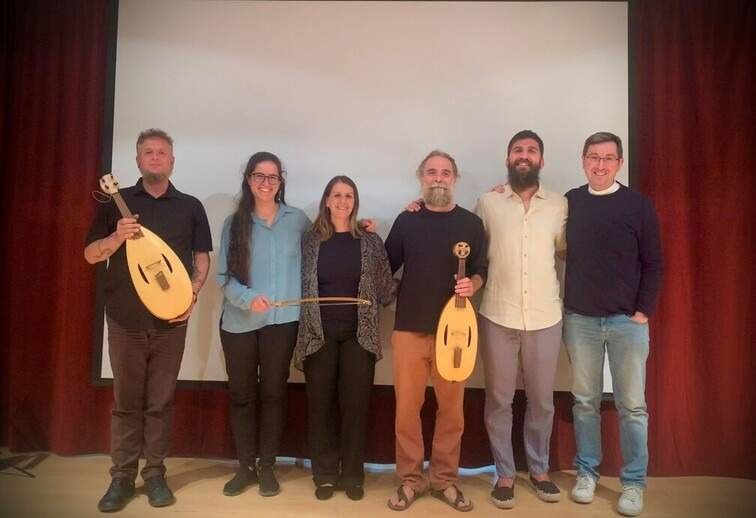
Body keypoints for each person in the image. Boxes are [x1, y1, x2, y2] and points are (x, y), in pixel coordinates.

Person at [85, 128, 212, 512]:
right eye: (147, 152)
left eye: (161, 153)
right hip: (124, 317)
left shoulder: (190, 206)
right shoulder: (114, 205)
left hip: (172, 321)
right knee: (126, 403)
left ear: (172, 161)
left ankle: (154, 474)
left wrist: (192, 293)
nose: (155, 158)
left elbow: (201, 258)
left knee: (160, 402)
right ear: (137, 161)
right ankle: (121, 477)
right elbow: (90, 254)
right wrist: (115, 240)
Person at [563, 132, 663, 517]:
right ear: (583, 160)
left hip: (627, 322)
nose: (600, 165)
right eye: (593, 157)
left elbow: (654, 262)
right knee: (585, 402)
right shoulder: (570, 202)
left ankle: (634, 483)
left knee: (632, 406)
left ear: (619, 163)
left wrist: (642, 312)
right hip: (581, 320)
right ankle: (586, 472)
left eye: (608, 158)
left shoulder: (637, 205)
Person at [385, 150, 487, 512]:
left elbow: (481, 270)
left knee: (452, 412)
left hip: (455, 333)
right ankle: (410, 480)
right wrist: (362, 231)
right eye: (431, 172)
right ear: (421, 178)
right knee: (407, 411)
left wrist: (473, 284)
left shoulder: (472, 225)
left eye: (445, 172)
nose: (438, 178)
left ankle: (445, 480)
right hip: (410, 329)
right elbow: (384, 267)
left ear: (454, 178)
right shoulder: (406, 221)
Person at [475, 130, 567, 508]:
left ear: (541, 160)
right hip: (498, 313)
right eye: (518, 150)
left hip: (545, 316)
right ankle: (505, 474)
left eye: (531, 151)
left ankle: (540, 470)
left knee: (542, 400)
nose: (524, 156)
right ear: (508, 158)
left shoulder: (560, 206)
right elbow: (471, 249)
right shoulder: (488, 202)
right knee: (498, 399)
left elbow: (565, 253)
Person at [293, 175, 394, 501]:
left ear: (355, 202)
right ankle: (323, 473)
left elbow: (385, 290)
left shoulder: (369, 240)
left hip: (358, 337)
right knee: (320, 406)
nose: (342, 201)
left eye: (348, 195)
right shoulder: (308, 241)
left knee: (355, 407)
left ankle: (352, 473)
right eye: (336, 195)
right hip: (317, 335)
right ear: (326, 200)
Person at [216, 151, 310, 498]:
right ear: (249, 180)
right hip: (239, 324)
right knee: (242, 396)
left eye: (273, 177)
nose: (266, 183)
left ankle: (267, 466)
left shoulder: (298, 220)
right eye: (259, 176)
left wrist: (364, 228)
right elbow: (223, 277)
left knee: (273, 394)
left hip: (282, 324)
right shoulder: (234, 223)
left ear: (280, 181)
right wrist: (247, 297)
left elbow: (324, 250)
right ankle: (245, 467)